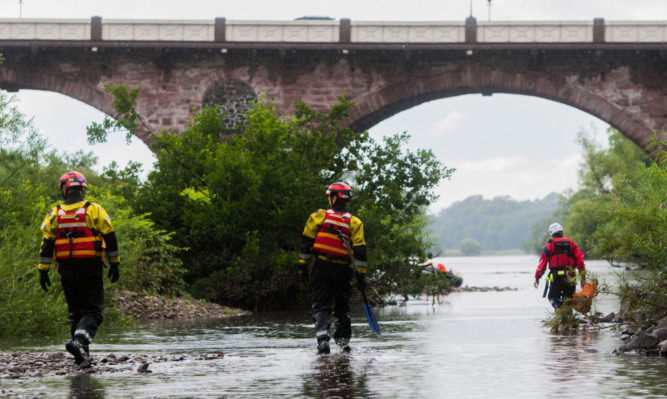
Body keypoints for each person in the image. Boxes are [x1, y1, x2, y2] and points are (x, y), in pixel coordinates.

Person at [38, 171, 121, 368]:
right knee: (93, 311)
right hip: (90, 266)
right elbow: (110, 237)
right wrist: (114, 263)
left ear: (64, 189)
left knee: (75, 311)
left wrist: (43, 270)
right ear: (83, 189)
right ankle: (80, 343)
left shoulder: (54, 213)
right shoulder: (95, 210)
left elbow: (47, 244)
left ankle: (81, 358)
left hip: (66, 267)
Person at [299, 182, 368, 354]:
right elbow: (360, 251)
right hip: (343, 270)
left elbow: (306, 243)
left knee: (321, 305)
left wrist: (303, 267)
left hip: (322, 266)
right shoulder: (355, 222)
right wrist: (361, 276)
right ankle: (343, 343)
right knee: (342, 306)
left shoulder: (319, 216)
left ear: (334, 197)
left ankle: (323, 340)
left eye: (331, 196)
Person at [533, 222, 585, 309]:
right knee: (569, 299)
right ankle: (568, 318)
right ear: (562, 233)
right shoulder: (572, 244)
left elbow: (542, 265)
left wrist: (537, 278)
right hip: (570, 274)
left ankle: (560, 311)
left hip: (556, 276)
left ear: (552, 235)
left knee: (553, 298)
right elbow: (580, 261)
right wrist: (583, 279)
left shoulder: (549, 246)